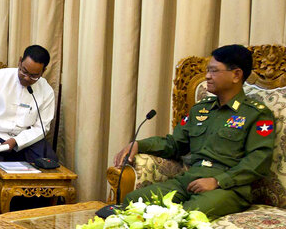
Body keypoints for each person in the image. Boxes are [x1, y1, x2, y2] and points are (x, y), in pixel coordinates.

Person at [114, 44, 275, 218]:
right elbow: (174, 144)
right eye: (207, 70)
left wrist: (218, 181)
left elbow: (258, 160)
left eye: (214, 71)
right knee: (134, 201)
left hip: (228, 188)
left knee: (187, 216)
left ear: (236, 75)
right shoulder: (201, 110)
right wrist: (138, 144)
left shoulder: (255, 114)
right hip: (189, 180)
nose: (207, 76)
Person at [0, 45, 57, 213]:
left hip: (26, 139)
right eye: (23, 71)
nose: (26, 78)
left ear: (43, 72)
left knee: (48, 162)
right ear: (19, 61)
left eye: (33, 76)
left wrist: (16, 141)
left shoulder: (46, 91)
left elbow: (42, 127)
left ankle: (30, 216)